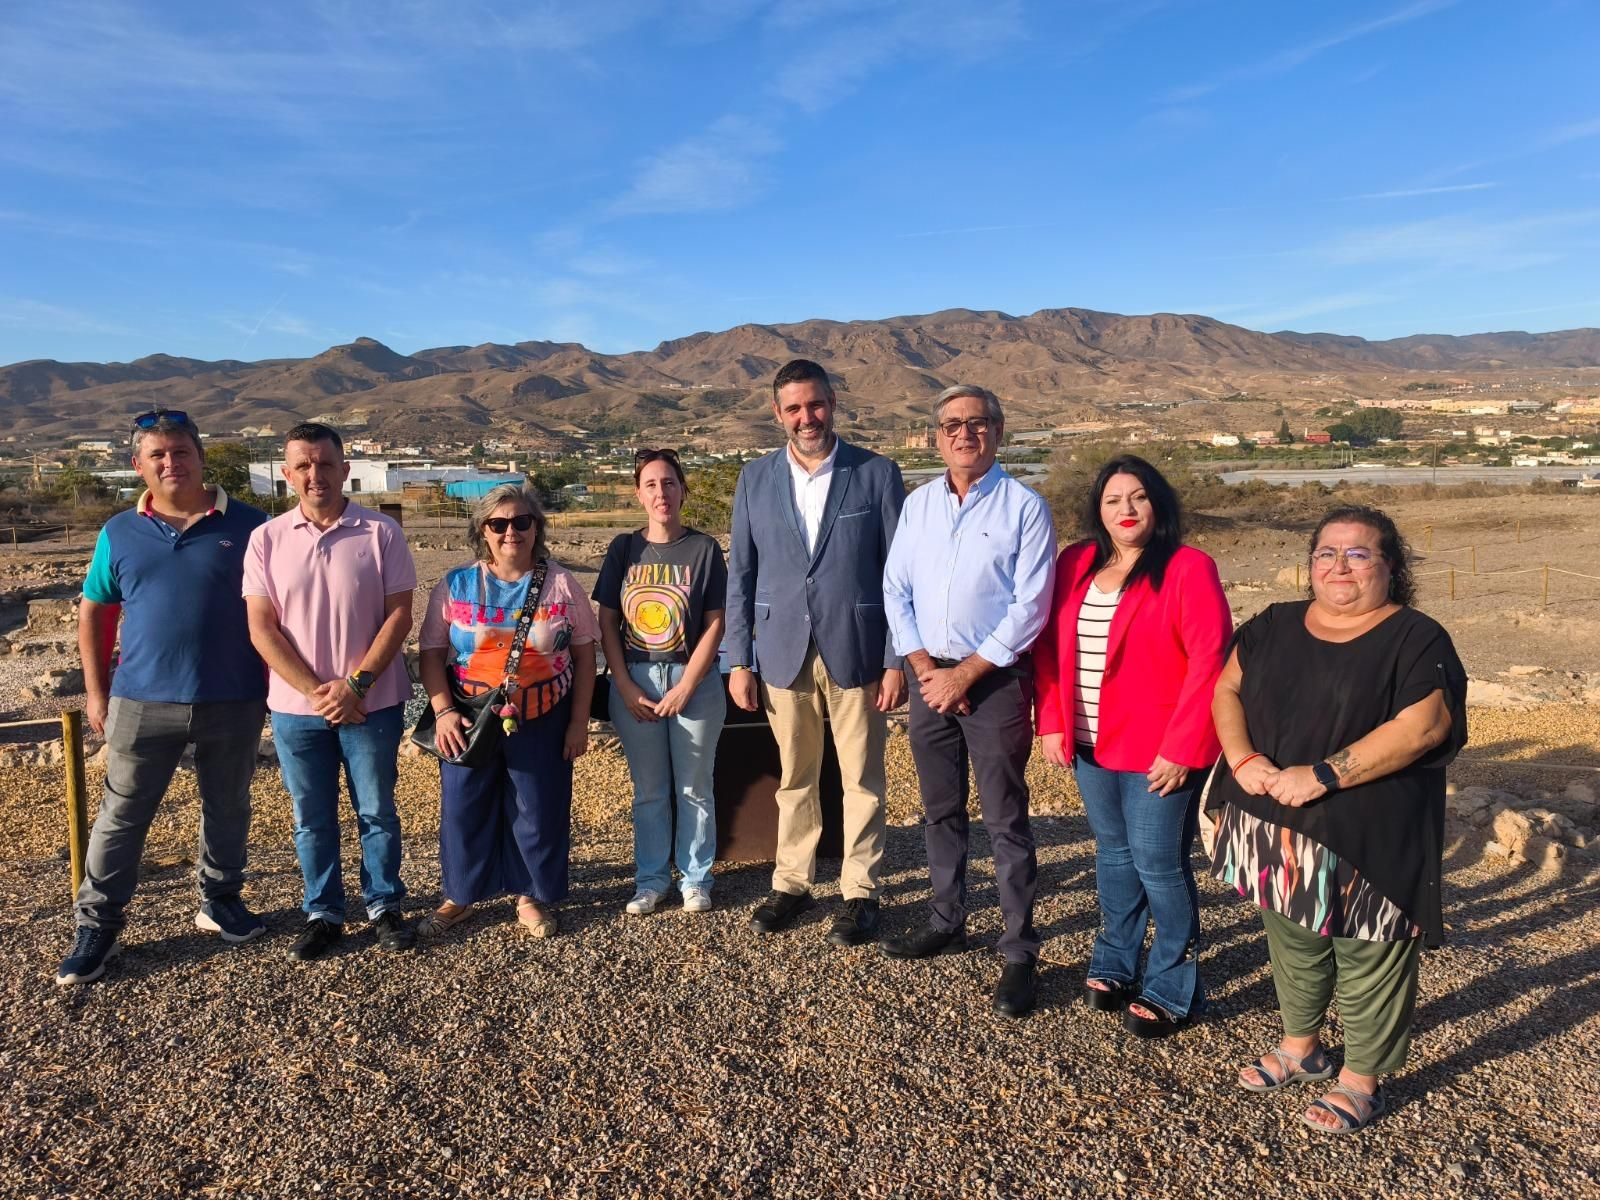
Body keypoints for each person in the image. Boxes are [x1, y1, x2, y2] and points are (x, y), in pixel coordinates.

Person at [1208, 505, 1466, 1134]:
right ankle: (1301, 1047)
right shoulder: (1272, 624)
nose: (1339, 565)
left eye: (1359, 553)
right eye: (1326, 552)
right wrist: (1241, 760)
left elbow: (1424, 726)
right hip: (1273, 822)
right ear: (1310, 565)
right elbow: (1226, 690)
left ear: (1392, 568)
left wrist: (1324, 774)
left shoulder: (1416, 636)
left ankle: (1362, 1078)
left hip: (1369, 836)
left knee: (1370, 954)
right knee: (1293, 941)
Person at [57, 410, 271, 985]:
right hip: (139, 701)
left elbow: (280, 611)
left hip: (234, 697)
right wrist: (97, 693)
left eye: (181, 451)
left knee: (227, 807)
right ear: (139, 467)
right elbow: (96, 612)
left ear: (202, 457)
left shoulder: (254, 525)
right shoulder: (119, 532)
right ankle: (97, 925)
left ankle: (219, 897)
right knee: (121, 817)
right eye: (158, 455)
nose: (171, 463)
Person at [1033, 455, 1232, 1036]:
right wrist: (1051, 720)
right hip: (1090, 742)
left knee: (1160, 865)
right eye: (1113, 499)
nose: (1126, 510)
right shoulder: (1075, 563)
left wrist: (1187, 747)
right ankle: (1116, 959)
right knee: (1113, 855)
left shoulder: (1188, 568)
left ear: (1158, 505)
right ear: (1098, 508)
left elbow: (1211, 663)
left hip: (1159, 754)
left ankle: (1172, 981)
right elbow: (1045, 645)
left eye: (1138, 497)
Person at [881, 384, 1056, 1017]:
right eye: (951, 425)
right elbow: (895, 589)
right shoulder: (919, 506)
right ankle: (947, 920)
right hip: (930, 679)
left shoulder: (1024, 508)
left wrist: (967, 674)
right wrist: (925, 666)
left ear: (998, 432)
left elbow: (1030, 608)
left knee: (1005, 817)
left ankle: (1018, 949)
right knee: (939, 810)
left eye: (976, 423)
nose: (963, 433)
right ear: (936, 437)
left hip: (996, 682)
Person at [724, 358, 905, 946]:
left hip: (857, 647)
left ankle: (860, 891)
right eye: (794, 408)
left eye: (816, 404)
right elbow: (742, 577)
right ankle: (793, 882)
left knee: (862, 777)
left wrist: (896, 659)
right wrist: (739, 659)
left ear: (834, 403)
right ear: (778, 415)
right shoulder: (755, 479)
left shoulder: (876, 473)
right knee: (794, 776)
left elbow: (899, 576)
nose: (808, 418)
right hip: (780, 650)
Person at [243, 423, 418, 961]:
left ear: (345, 469)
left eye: (325, 464)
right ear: (287, 474)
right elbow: (261, 627)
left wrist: (355, 684)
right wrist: (319, 692)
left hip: (373, 702)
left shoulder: (380, 531)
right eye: (302, 465)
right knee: (311, 816)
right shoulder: (266, 539)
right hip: (298, 711)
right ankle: (323, 911)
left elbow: (399, 615)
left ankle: (384, 905)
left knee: (377, 811)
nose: (314, 474)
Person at [416, 482, 597, 939]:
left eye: (522, 521)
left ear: (537, 528)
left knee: (537, 807)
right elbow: (432, 653)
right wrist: (441, 713)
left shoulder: (560, 583)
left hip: (544, 714)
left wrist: (578, 723)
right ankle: (460, 895)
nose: (510, 531)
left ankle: (529, 894)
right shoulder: (455, 585)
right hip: (469, 717)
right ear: (483, 531)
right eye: (498, 524)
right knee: (463, 805)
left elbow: (583, 656)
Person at [594, 449, 727, 915]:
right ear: (638, 494)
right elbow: (606, 621)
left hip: (695, 680)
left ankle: (695, 878)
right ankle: (651, 880)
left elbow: (715, 623)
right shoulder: (622, 549)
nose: (661, 493)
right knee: (649, 789)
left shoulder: (704, 549)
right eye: (651, 484)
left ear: (682, 490)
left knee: (695, 786)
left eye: (669, 483)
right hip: (635, 678)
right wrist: (625, 685)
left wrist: (688, 684)